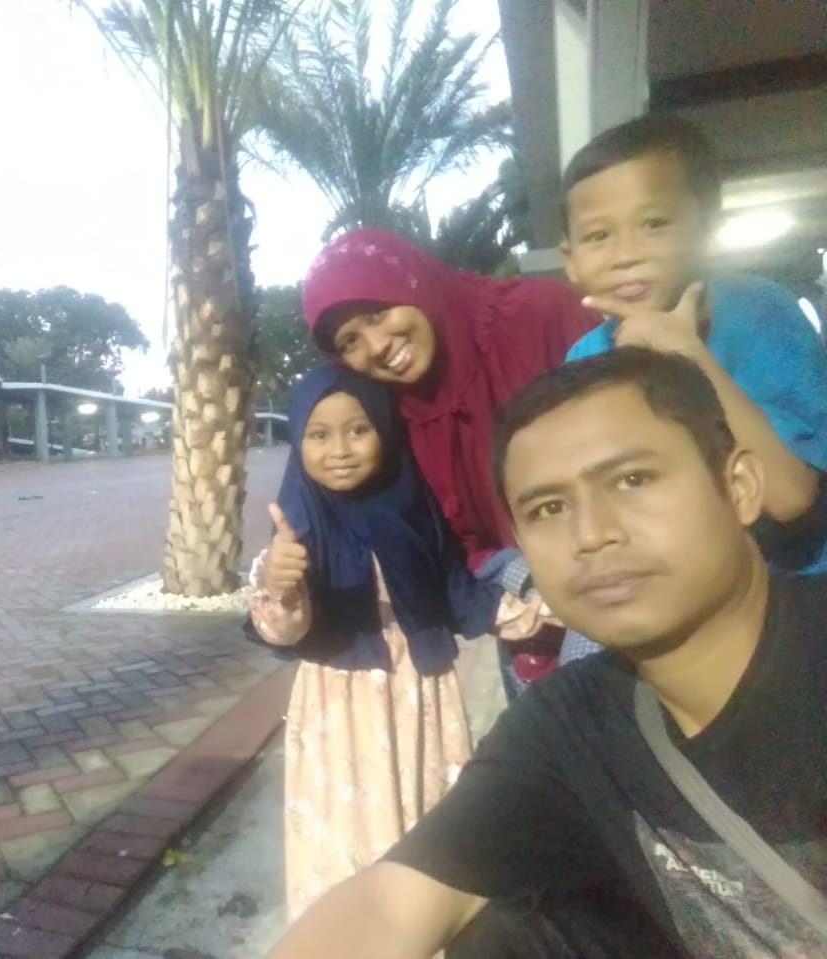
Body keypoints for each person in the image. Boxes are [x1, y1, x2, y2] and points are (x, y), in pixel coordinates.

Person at [266, 347, 827, 959]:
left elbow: (456, 594)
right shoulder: (570, 722)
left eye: (633, 480)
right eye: (549, 509)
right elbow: (391, 905)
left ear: (739, 486)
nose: (592, 535)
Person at [247, 365, 551, 921]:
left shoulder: (412, 505)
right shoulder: (298, 525)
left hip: (421, 692)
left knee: (426, 820)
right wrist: (279, 586)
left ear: (385, 432)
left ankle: (424, 929)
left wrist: (536, 611)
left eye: (358, 430)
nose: (340, 450)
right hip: (340, 704)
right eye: (318, 435)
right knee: (347, 829)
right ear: (298, 441)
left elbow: (456, 589)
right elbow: (286, 632)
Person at [558, 113, 827, 664]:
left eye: (654, 224)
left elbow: (790, 496)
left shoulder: (758, 314)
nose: (626, 253)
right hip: (687, 599)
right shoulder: (584, 361)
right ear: (571, 261)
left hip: (798, 594)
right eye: (599, 235)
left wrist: (686, 353)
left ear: (705, 229)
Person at [301, 228, 600, 697]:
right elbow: (441, 546)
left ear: (413, 282)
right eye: (350, 340)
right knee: (556, 719)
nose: (376, 346)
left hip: (613, 561)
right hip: (522, 607)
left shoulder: (538, 315)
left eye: (378, 313)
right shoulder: (385, 418)